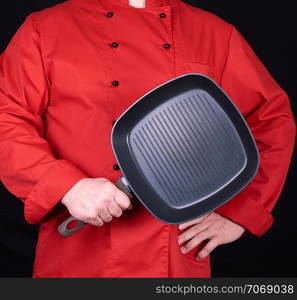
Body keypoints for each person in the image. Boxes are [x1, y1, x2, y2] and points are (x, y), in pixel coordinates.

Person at [0, 0, 295, 278]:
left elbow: (271, 119)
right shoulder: (46, 28)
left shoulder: (214, 34)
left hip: (173, 253)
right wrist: (66, 186)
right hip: (80, 252)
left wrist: (241, 213)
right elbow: (6, 117)